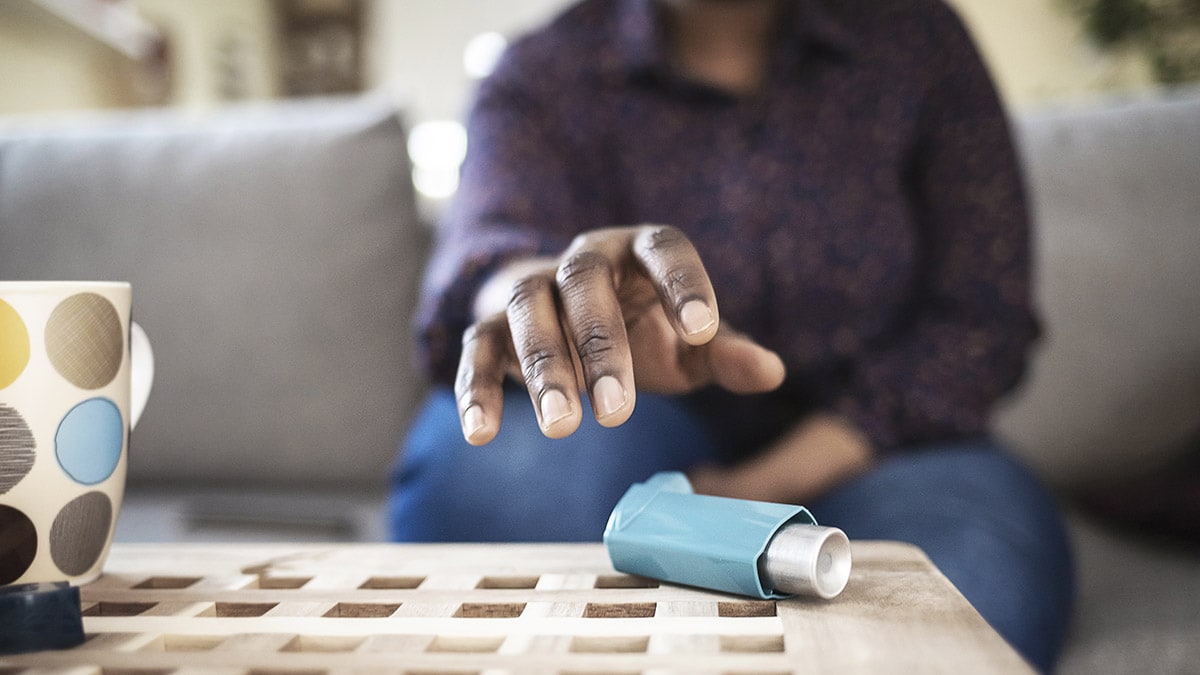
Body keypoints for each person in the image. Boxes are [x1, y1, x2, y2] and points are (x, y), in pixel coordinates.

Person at [390, 0, 1075, 670]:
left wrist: (760, 484)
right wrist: (542, 287)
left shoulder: (919, 42)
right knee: (503, 476)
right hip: (618, 427)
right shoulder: (541, 71)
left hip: (883, 446)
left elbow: (982, 315)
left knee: (957, 593)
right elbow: (490, 247)